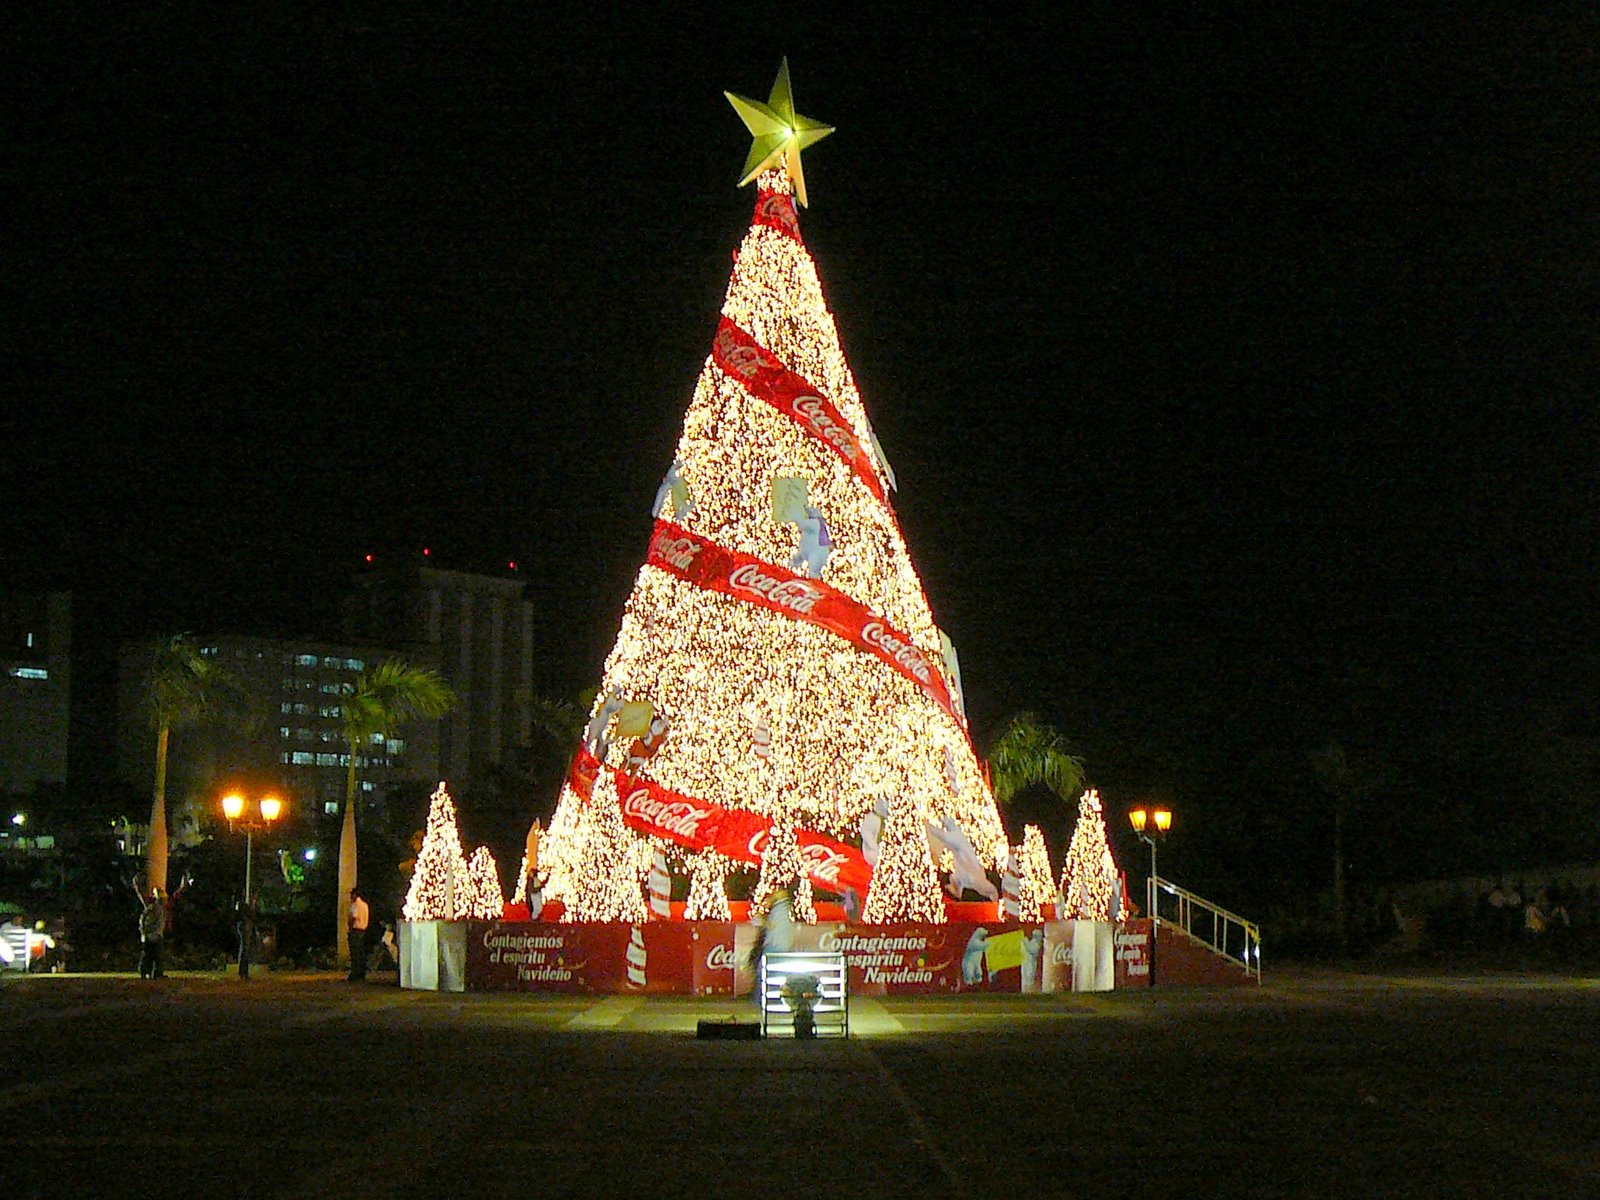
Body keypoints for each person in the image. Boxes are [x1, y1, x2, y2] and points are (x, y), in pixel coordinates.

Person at [138, 887, 167, 979]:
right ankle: (152, 973)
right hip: (153, 934)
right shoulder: (155, 908)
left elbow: (143, 918)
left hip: (154, 934)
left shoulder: (156, 908)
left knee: (150, 956)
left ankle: (149, 973)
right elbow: (144, 918)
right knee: (153, 956)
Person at [347, 888, 371, 981]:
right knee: (361, 953)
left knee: (355, 953)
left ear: (355, 895)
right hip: (363, 930)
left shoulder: (355, 905)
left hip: (356, 930)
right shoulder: (365, 905)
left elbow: (353, 917)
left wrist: (350, 927)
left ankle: (355, 974)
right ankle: (361, 973)